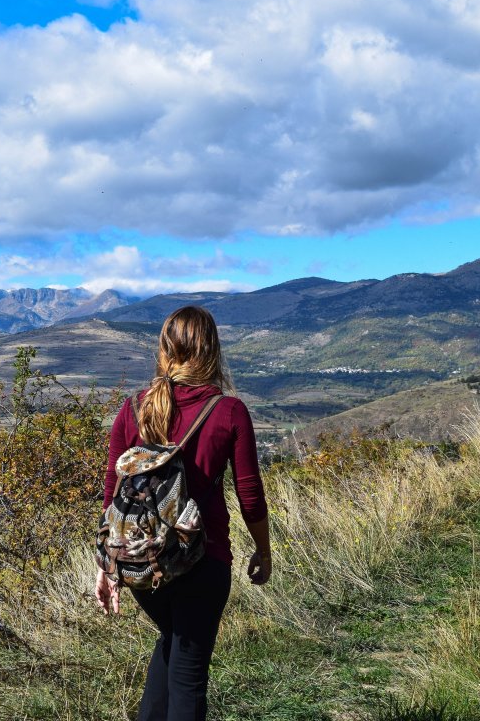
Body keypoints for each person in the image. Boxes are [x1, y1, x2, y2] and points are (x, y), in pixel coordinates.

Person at [96, 305, 271, 721]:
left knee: (172, 646)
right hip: (202, 561)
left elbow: (113, 489)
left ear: (164, 349)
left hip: (141, 562)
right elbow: (250, 495)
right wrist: (263, 551)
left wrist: (107, 565)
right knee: (189, 681)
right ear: (212, 349)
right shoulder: (228, 411)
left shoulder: (134, 407)